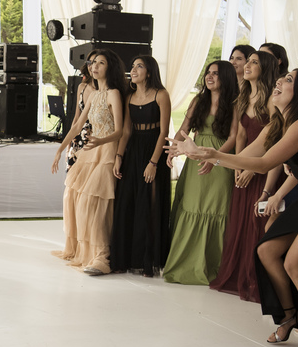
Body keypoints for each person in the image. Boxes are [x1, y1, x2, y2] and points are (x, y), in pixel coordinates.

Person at [172, 69, 298, 347]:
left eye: (288, 81)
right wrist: (205, 152)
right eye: (281, 78)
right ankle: (289, 316)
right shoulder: (281, 122)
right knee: (268, 251)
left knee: (296, 264)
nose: (279, 83)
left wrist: (211, 155)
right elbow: (250, 152)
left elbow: (263, 164)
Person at [209, 51, 279, 301]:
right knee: (240, 221)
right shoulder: (243, 97)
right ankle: (238, 274)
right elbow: (239, 135)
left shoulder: (272, 99)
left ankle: (256, 280)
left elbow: (271, 141)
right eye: (247, 61)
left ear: (266, 68)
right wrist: (238, 166)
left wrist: (250, 167)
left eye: (253, 62)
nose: (247, 65)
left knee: (255, 223)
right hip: (244, 164)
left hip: (264, 169)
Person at [162, 60, 238, 285]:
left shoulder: (234, 103)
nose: (210, 76)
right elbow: (184, 129)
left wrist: (215, 158)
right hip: (196, 158)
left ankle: (213, 266)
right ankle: (185, 264)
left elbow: (233, 137)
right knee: (192, 206)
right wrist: (174, 149)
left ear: (226, 77)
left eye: (216, 73)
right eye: (208, 73)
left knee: (217, 208)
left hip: (220, 159)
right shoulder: (199, 100)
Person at [51, 49, 126, 275]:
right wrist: (60, 149)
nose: (94, 67)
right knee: (75, 197)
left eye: (100, 63)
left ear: (109, 68)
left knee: (96, 203)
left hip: (106, 150)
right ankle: (84, 251)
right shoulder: (92, 95)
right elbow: (76, 125)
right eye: (93, 63)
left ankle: (102, 257)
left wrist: (101, 140)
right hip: (90, 150)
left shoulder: (114, 94)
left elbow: (120, 131)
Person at [110, 55, 171, 276]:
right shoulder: (129, 97)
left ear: (150, 71)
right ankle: (126, 259)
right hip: (133, 150)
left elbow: (164, 132)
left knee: (149, 206)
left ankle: (149, 261)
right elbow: (126, 131)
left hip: (153, 150)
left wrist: (153, 163)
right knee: (127, 202)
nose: (133, 69)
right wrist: (118, 156)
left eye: (139, 66)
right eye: (132, 66)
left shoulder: (161, 95)